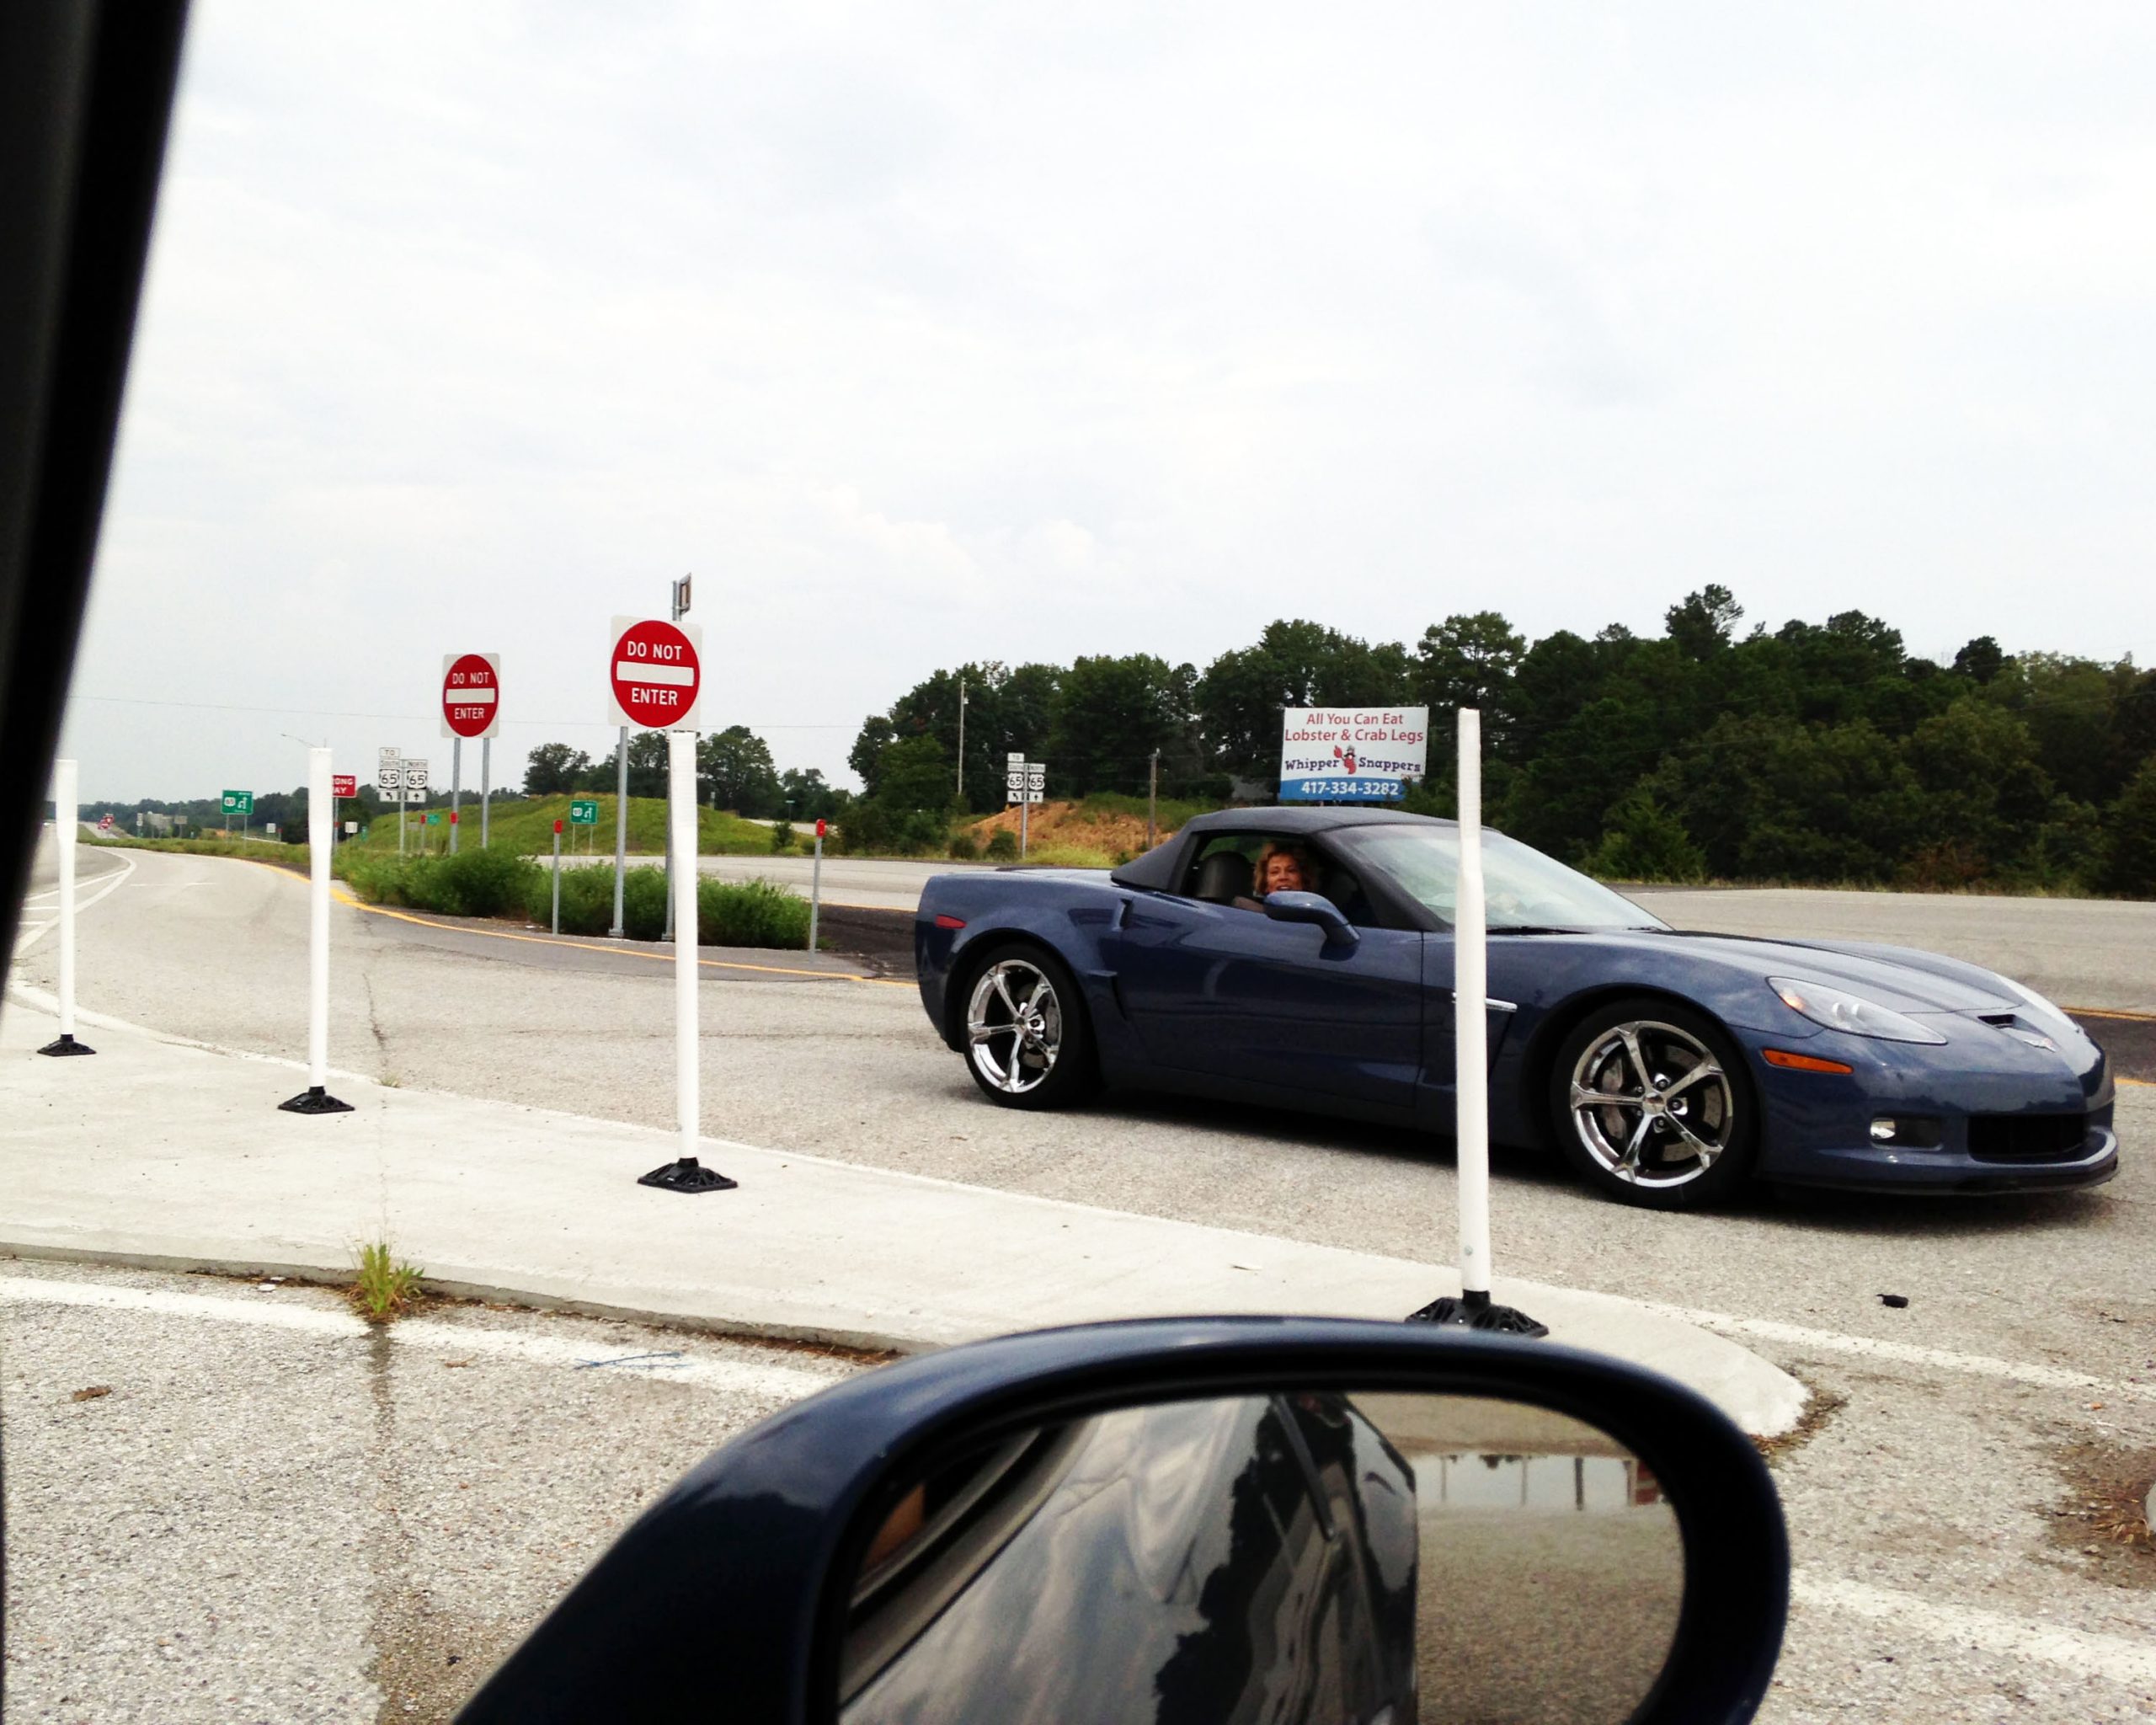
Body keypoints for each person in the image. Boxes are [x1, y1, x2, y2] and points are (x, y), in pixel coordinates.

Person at [1235, 841, 1318, 908]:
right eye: (1275, 872)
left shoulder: (1317, 914)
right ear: (1265, 882)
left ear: (1303, 878)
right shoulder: (1250, 913)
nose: (1283, 877)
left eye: (1291, 871)